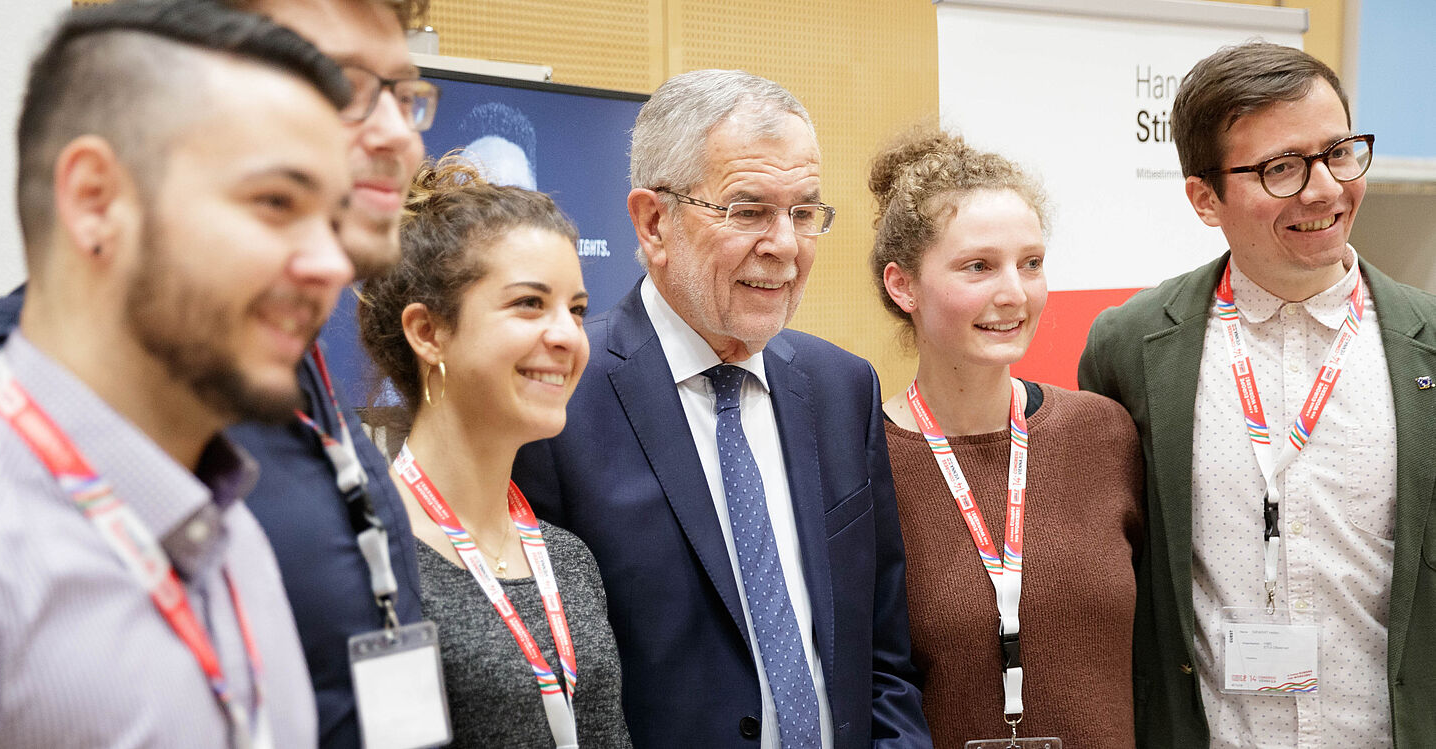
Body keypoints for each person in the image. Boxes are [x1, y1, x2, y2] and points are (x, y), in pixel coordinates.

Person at [0, 1, 433, 745]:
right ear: (96, 200)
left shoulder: (231, 539)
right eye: (274, 203)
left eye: (326, 212)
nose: (329, 265)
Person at [512, 69, 931, 748]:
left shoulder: (841, 388)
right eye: (748, 210)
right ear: (653, 222)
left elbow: (881, 656)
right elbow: (544, 688)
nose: (785, 246)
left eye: (802, 213)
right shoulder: (559, 401)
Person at [1079, 40, 1436, 747]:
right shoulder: (1130, 346)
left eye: (1338, 152)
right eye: (1281, 168)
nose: (1325, 190)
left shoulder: (1424, 345)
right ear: (1203, 198)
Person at [870, 125, 1142, 747]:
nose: (1013, 293)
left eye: (1032, 264)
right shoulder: (865, 460)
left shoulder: (1101, 434)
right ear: (903, 285)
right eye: (978, 267)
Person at [357, 157, 630, 747]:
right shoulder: (375, 562)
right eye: (530, 303)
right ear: (428, 333)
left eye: (576, 310)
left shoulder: (569, 560)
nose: (566, 336)